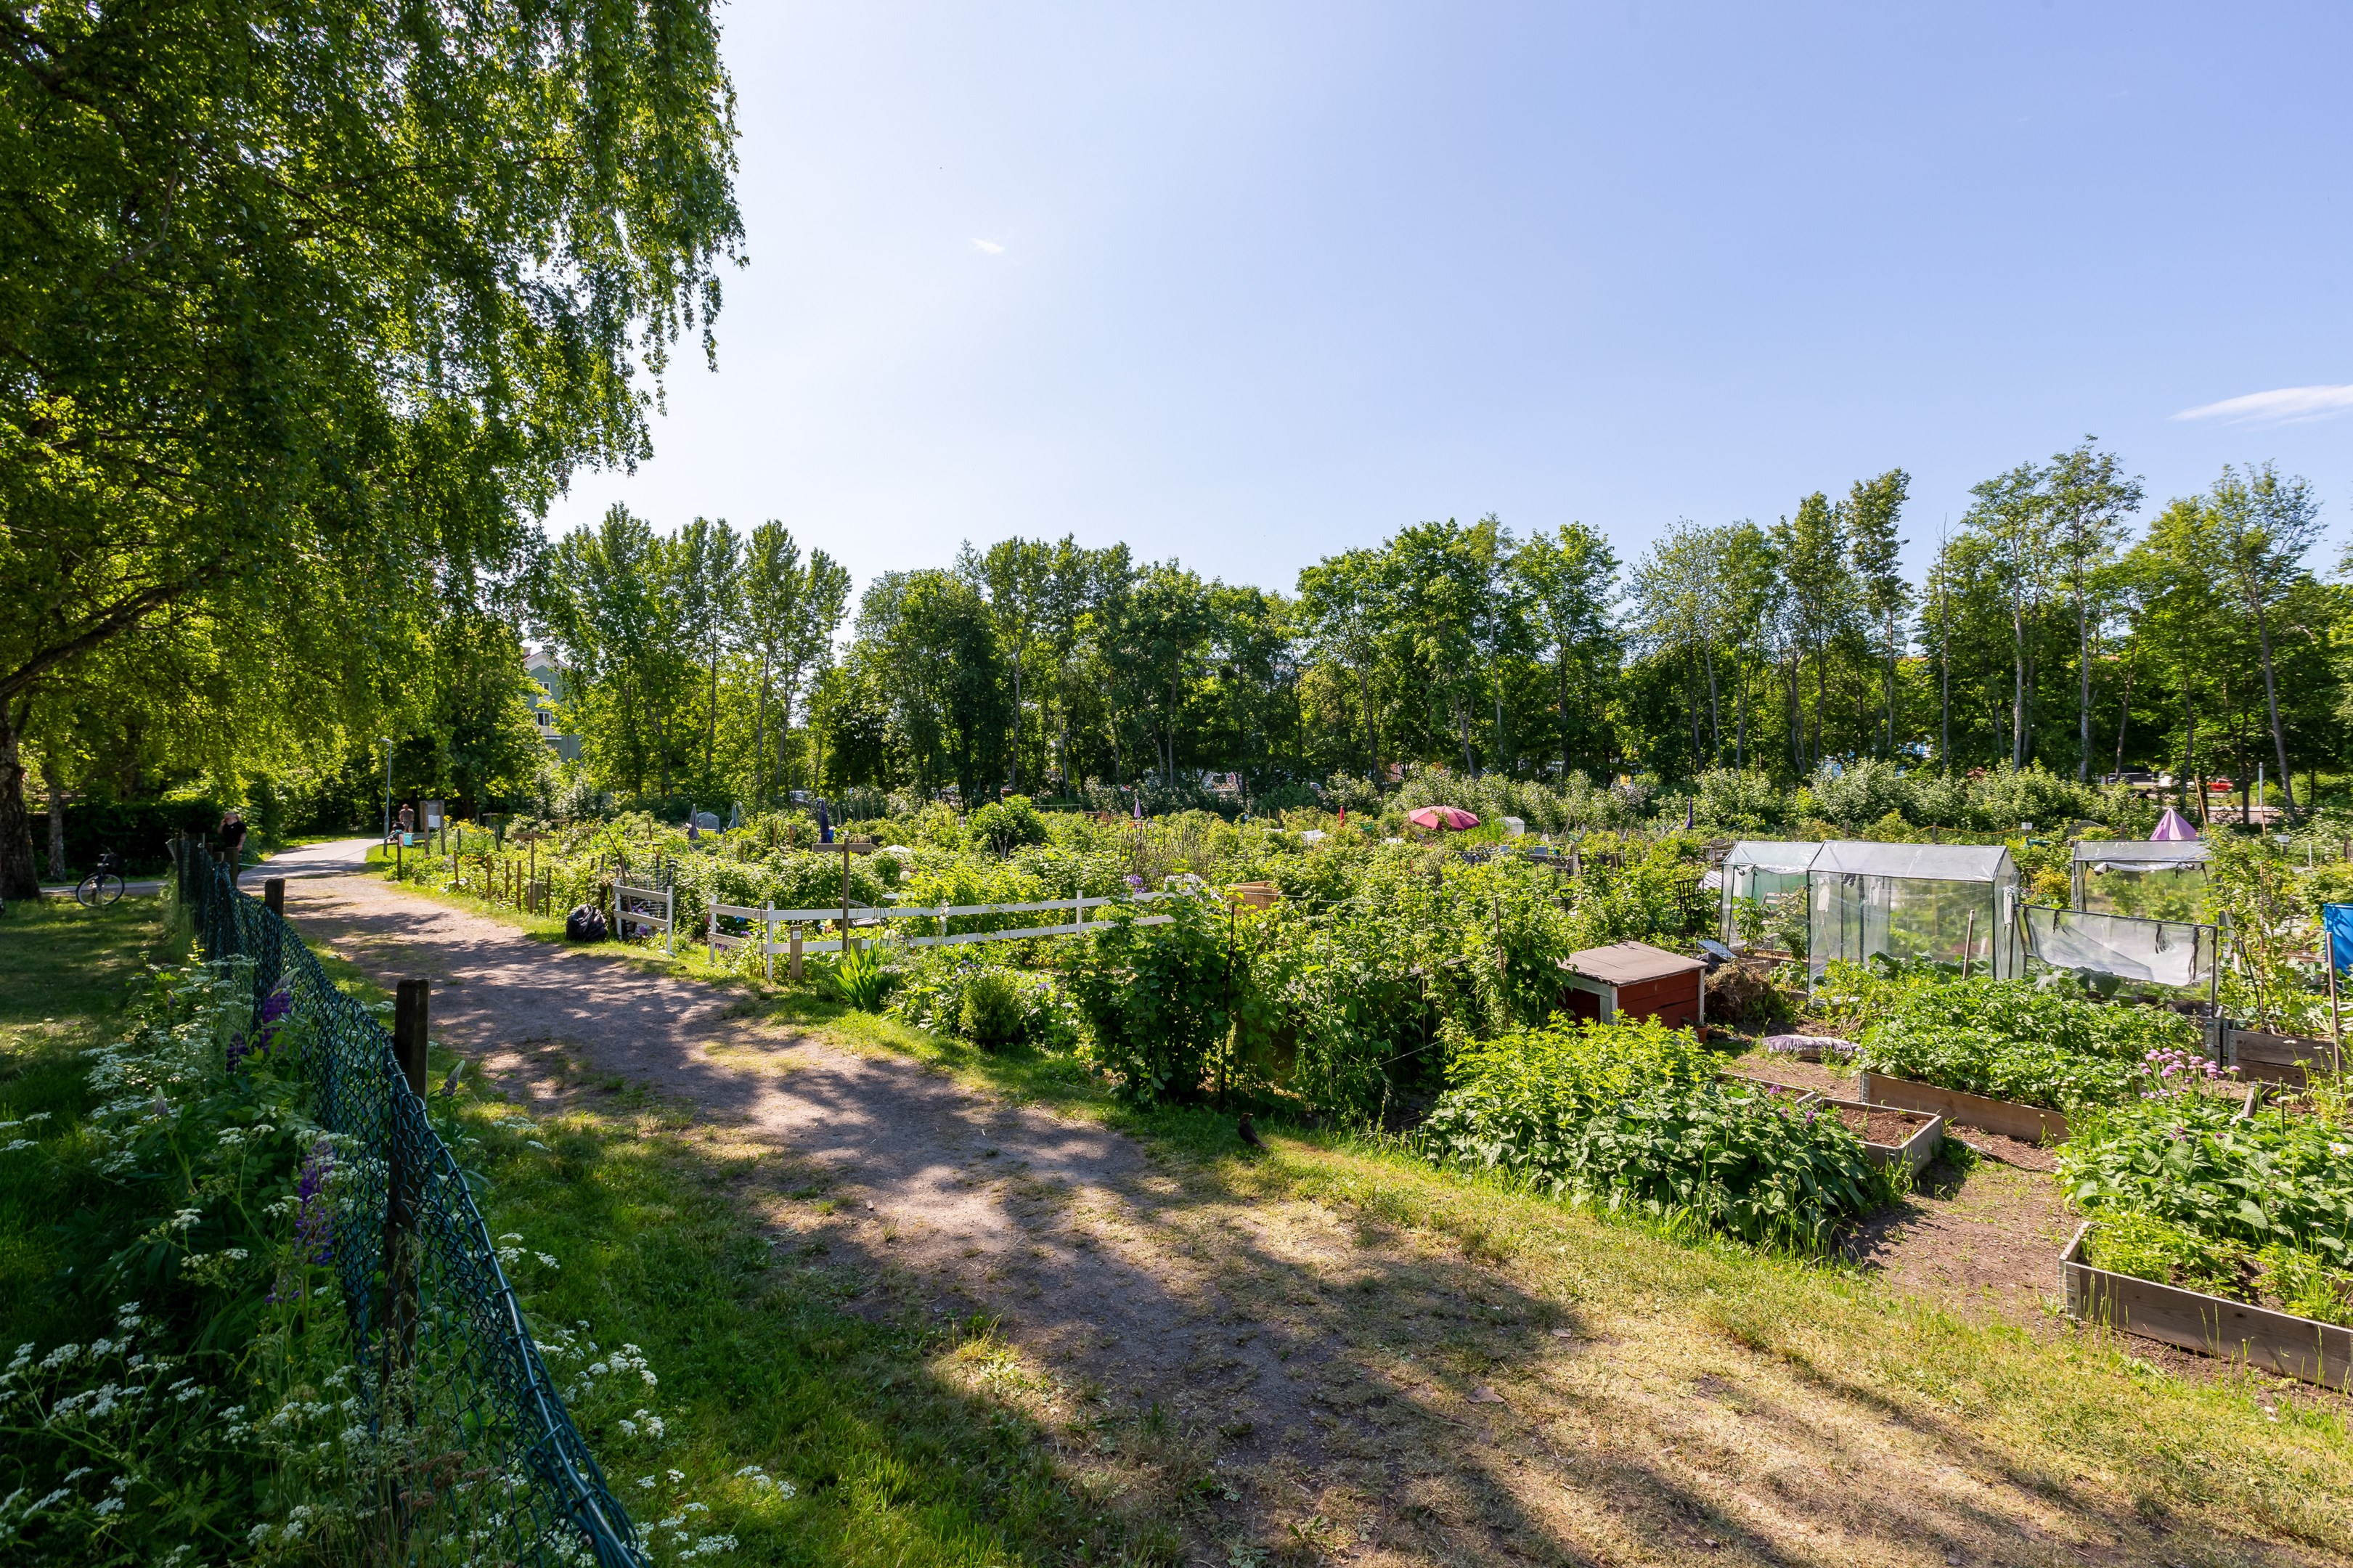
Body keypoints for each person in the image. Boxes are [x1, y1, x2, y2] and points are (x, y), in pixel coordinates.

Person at [219, 809, 249, 885]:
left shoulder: (240, 825)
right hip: (226, 847)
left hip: (236, 847)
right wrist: (221, 825)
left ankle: (234, 880)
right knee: (225, 864)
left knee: (237, 864)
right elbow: (219, 832)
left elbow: (243, 835)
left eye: (227, 818)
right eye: (225, 819)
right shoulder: (225, 826)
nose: (226, 820)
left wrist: (240, 844)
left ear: (234, 817)